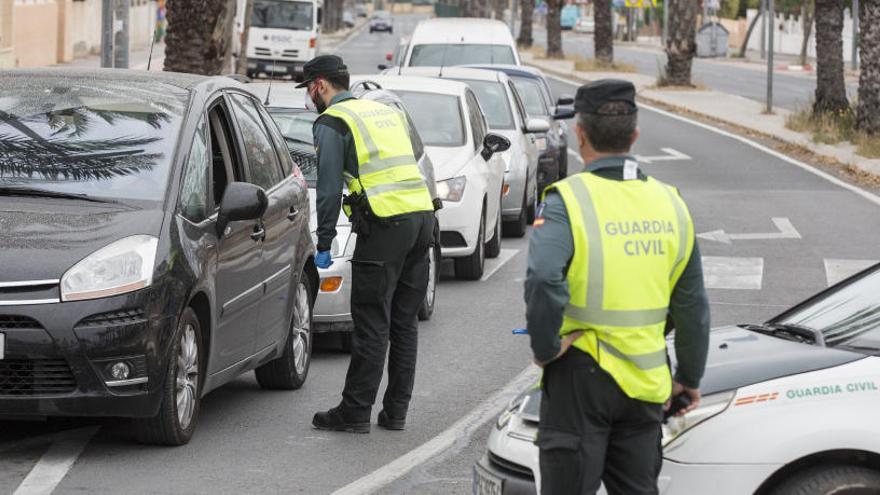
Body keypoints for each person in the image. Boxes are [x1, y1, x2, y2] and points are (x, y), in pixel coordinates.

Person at [524, 79, 710, 495]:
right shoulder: (671, 203)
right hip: (646, 384)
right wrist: (690, 376)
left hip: (579, 379)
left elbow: (542, 277)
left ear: (580, 134)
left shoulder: (566, 200)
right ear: (635, 135)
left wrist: (545, 347)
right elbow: (693, 304)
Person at [302, 55, 435, 434]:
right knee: (403, 322)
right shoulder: (382, 113)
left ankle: (355, 411)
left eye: (310, 90)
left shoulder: (333, 122)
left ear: (320, 86)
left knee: (372, 321)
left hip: (385, 225)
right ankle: (396, 413)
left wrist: (325, 240)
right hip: (422, 218)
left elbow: (327, 189)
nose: (311, 98)